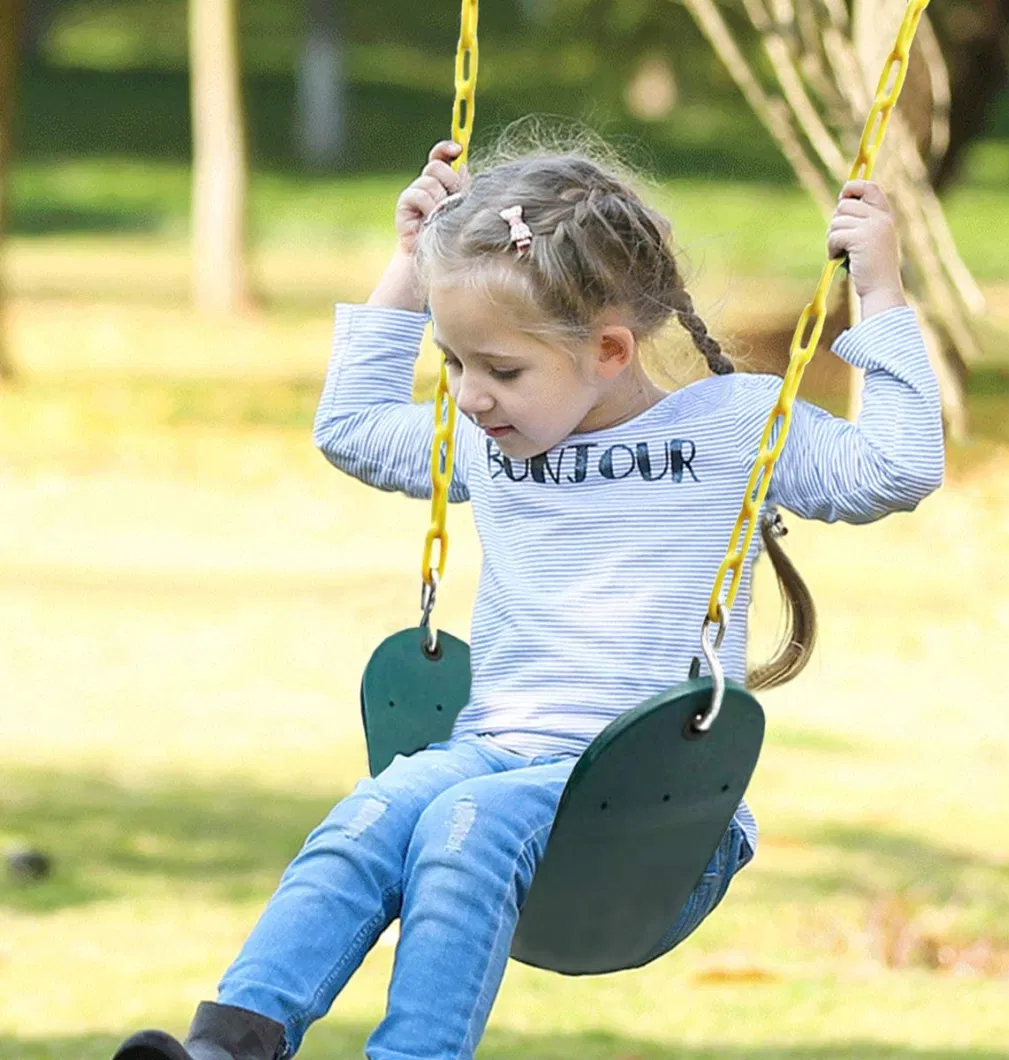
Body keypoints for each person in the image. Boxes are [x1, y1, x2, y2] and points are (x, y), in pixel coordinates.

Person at [112, 136, 944, 1060]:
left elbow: (897, 469)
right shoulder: (489, 441)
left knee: (469, 825)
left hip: (650, 805)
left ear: (609, 349)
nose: (469, 398)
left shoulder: (735, 429)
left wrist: (881, 294)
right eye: (455, 363)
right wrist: (406, 262)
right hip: (495, 754)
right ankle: (229, 1044)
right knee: (378, 812)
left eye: (500, 371)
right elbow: (348, 427)